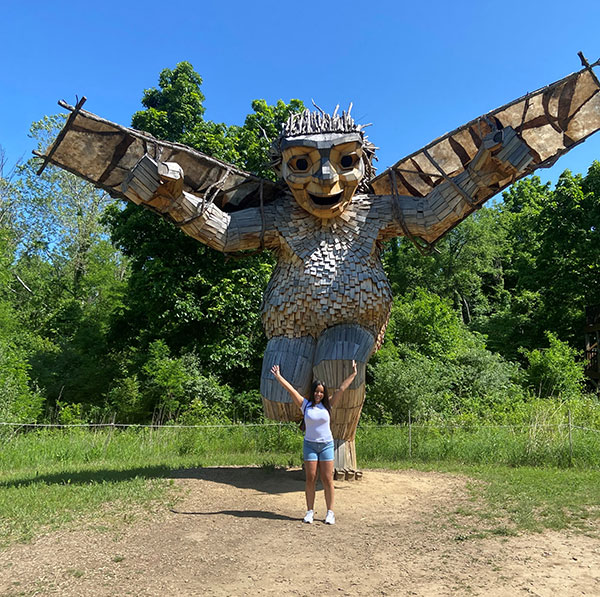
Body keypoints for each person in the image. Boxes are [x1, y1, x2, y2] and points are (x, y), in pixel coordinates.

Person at [270, 360, 357, 525]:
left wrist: (353, 374)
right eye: (317, 391)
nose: (319, 394)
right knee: (310, 477)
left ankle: (330, 512)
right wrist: (279, 377)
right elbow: (291, 390)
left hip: (326, 445)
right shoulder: (305, 405)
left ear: (324, 394)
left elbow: (341, 389)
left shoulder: (329, 405)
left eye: (321, 392)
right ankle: (309, 511)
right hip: (310, 445)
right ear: (313, 392)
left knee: (327, 479)